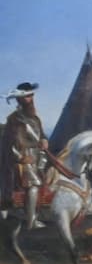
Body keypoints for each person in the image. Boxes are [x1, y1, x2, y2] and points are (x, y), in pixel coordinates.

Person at [1, 82, 52, 230]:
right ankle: (31, 222)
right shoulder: (14, 119)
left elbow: (41, 134)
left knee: (43, 182)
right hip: (22, 159)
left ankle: (35, 215)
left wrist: (44, 140)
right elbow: (10, 142)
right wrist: (20, 158)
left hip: (37, 157)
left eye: (31, 95)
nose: (31, 98)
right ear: (20, 99)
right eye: (27, 96)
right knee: (33, 186)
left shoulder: (35, 118)